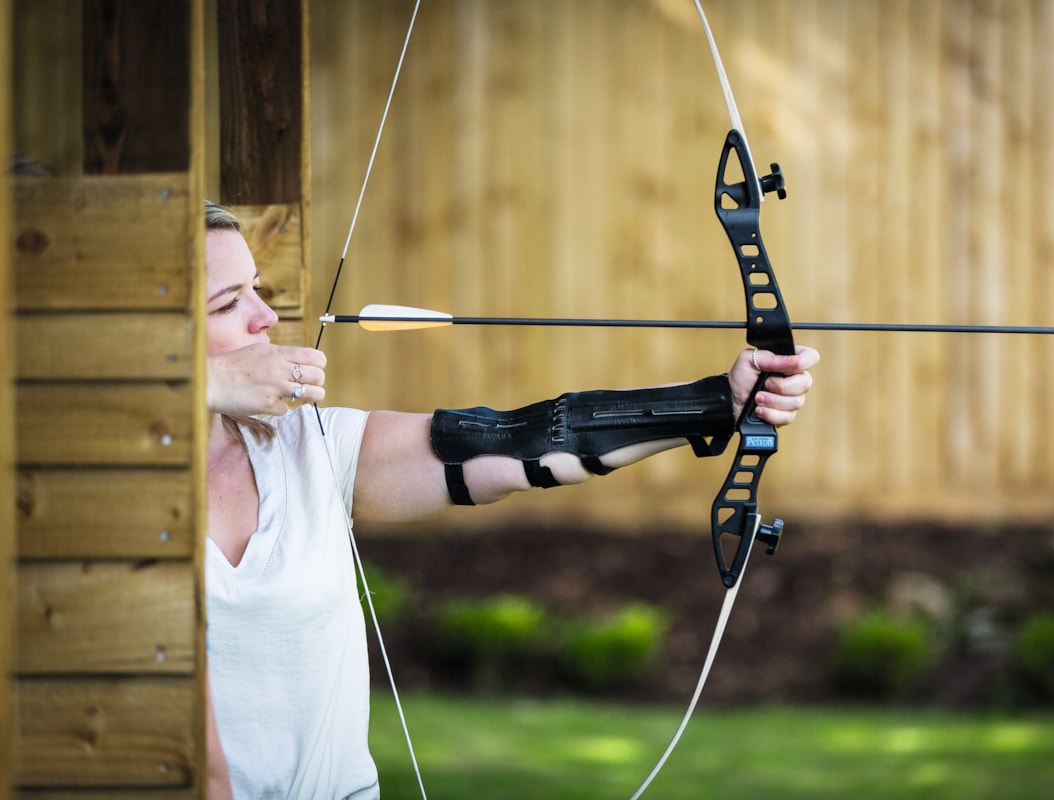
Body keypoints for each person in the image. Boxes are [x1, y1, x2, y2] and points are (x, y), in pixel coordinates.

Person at [202, 201, 819, 798]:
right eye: (229, 302)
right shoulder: (109, 496)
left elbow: (522, 442)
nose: (264, 318)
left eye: (257, 289)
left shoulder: (312, 445)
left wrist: (716, 403)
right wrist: (197, 385)